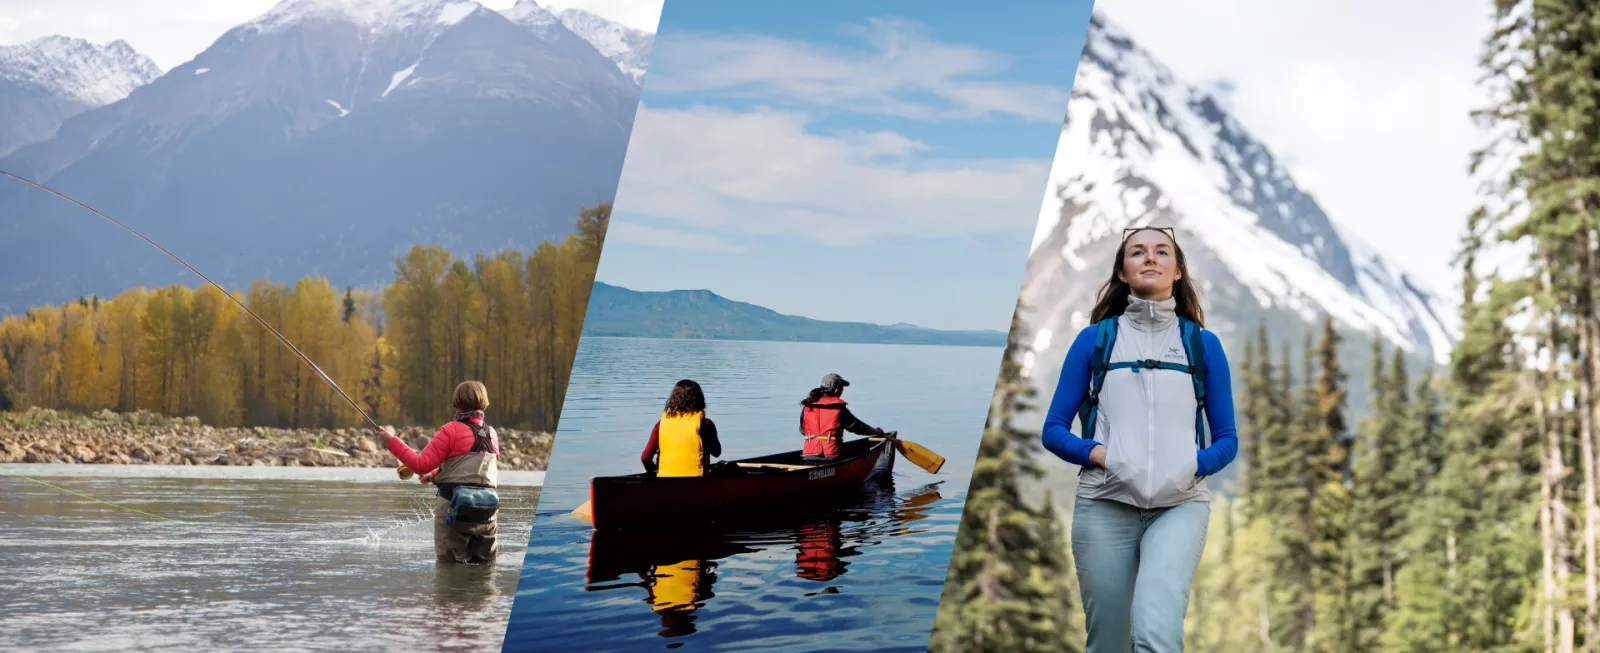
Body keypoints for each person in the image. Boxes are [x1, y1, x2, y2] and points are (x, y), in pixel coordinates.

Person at [1040, 226, 1239, 652]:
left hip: (1180, 506)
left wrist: (1193, 463)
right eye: (1137, 252)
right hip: (1103, 504)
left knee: (1155, 633)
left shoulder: (1202, 345)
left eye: (1161, 251)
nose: (1150, 258)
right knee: (1109, 642)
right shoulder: (1095, 341)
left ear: (1178, 271)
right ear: (1123, 273)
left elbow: (1227, 439)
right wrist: (1098, 454)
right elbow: (1053, 429)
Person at [378, 380, 502, 565]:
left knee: (450, 570)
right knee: (485, 570)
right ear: (484, 402)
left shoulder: (450, 430)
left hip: (453, 512)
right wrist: (436, 475)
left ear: (456, 403)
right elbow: (475, 469)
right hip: (487, 513)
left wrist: (391, 441)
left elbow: (420, 465)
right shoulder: (491, 433)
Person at [799, 373, 890, 462]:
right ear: (835, 390)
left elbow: (802, 430)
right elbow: (857, 427)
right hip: (832, 456)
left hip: (808, 455)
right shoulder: (838, 408)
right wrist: (876, 432)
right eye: (842, 388)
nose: (842, 391)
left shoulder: (808, 406)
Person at [640, 379, 722, 477]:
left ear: (673, 400)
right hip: (697, 483)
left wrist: (652, 469)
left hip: (664, 482)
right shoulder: (706, 424)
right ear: (700, 400)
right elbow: (717, 452)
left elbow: (645, 458)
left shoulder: (661, 424)